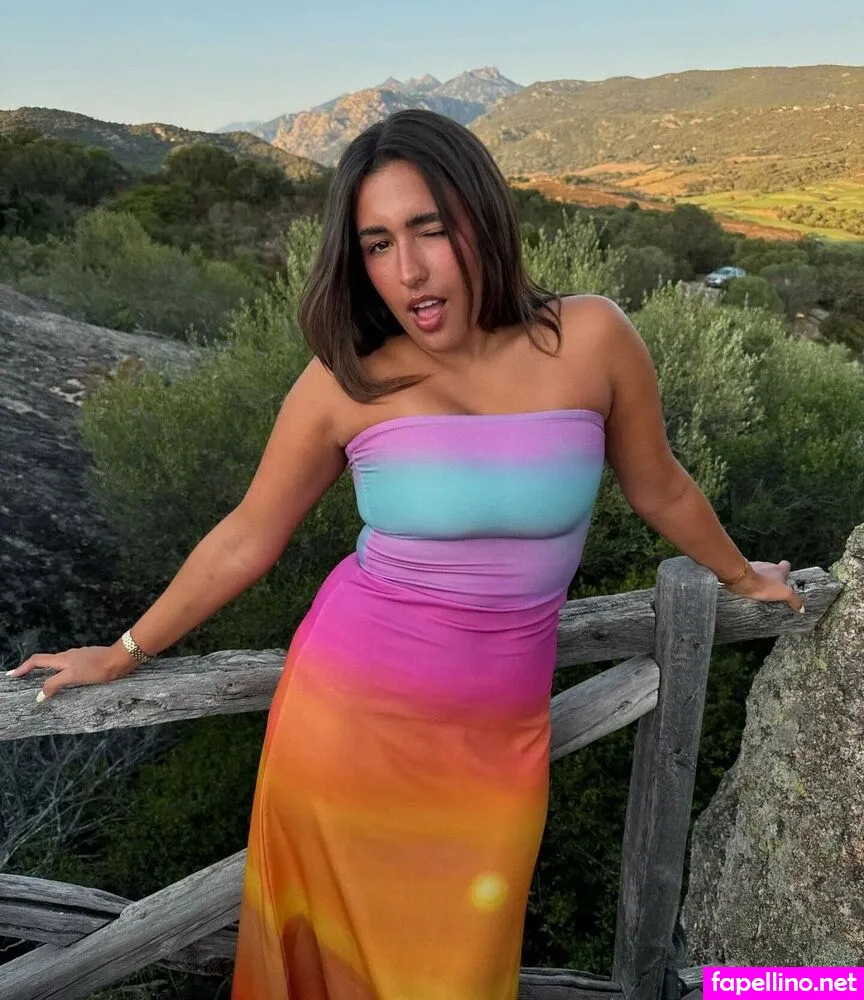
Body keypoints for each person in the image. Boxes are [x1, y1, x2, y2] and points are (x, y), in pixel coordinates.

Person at [8, 109, 804, 999]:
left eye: (430, 229)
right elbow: (247, 535)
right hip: (346, 726)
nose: (409, 270)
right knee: (338, 972)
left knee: (458, 969)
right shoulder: (345, 381)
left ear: (483, 220)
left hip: (499, 741)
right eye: (378, 244)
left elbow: (660, 486)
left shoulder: (592, 338)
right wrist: (122, 651)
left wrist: (742, 576)